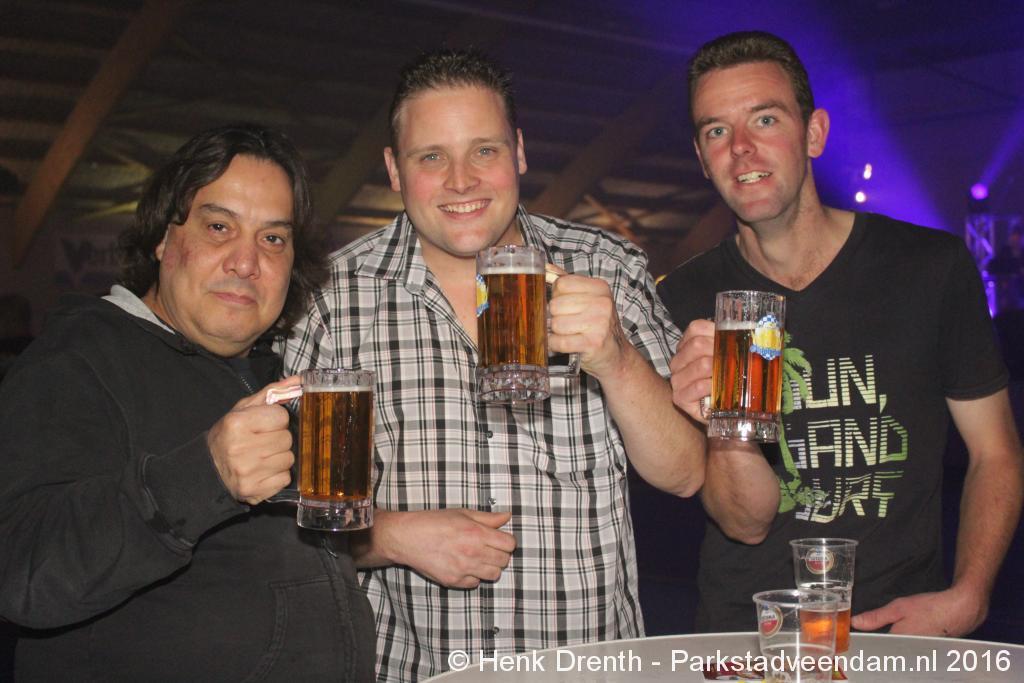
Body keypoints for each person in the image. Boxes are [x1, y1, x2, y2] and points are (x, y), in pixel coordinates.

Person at [283, 49, 706, 681]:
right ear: (395, 170)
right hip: (417, 669)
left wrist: (616, 358)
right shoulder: (336, 299)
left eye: (484, 150)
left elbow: (686, 474)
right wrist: (390, 536)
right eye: (432, 157)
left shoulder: (607, 268)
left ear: (520, 153)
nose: (461, 181)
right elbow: (293, 512)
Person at [659, 30, 1024, 637]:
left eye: (765, 119)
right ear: (702, 158)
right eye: (717, 131)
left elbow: (997, 452)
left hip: (899, 628)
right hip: (749, 634)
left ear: (814, 133)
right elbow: (743, 523)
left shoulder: (928, 268)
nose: (741, 148)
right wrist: (730, 432)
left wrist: (970, 594)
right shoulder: (683, 300)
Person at [0, 124, 375, 680]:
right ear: (162, 238)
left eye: (273, 238)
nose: (246, 262)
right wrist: (206, 474)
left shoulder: (274, 375)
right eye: (219, 227)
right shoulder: (78, 360)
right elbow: (21, 574)